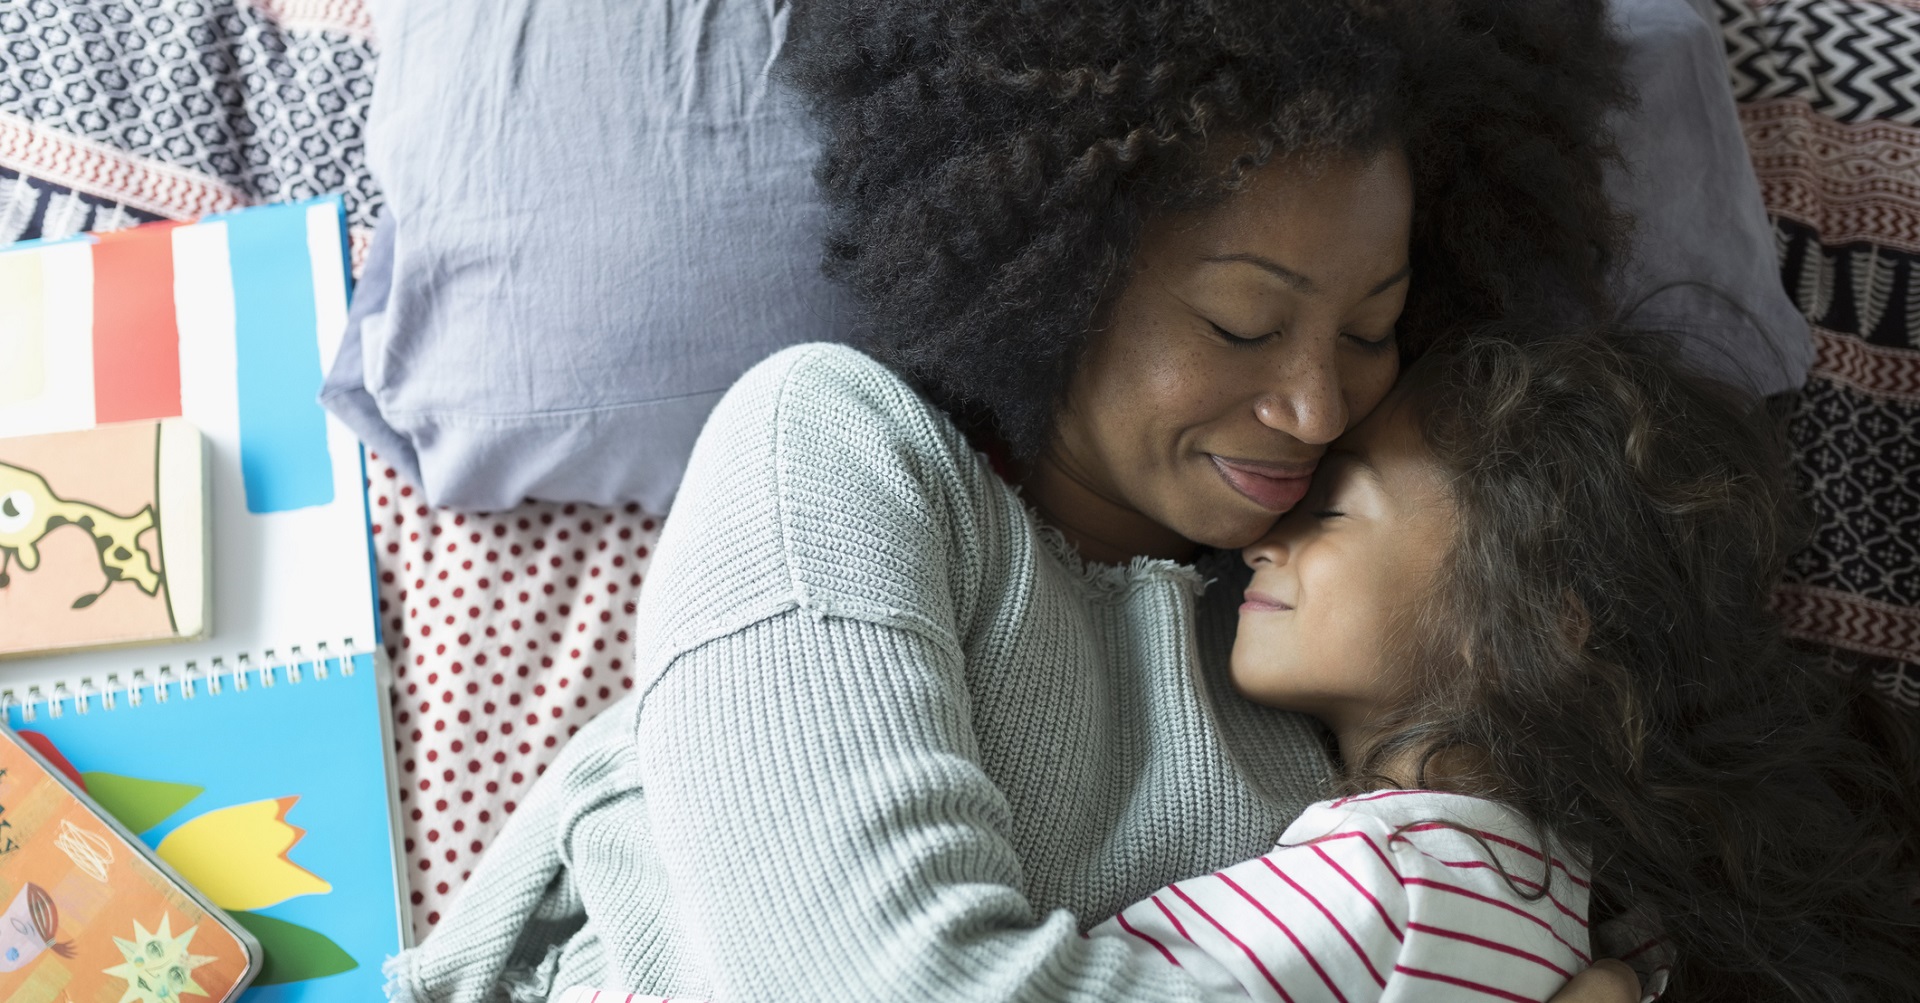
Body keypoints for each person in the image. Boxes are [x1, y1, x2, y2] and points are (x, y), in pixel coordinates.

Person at [383, 2, 1650, 1001]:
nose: (1318, 407)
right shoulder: (829, 447)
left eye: (1372, 330)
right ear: (1062, 272)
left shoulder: (1349, 644)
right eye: (1241, 322)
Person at [1092, 333, 1920, 1002]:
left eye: (1332, 510)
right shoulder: (1568, 906)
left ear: (1534, 625)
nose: (1260, 539)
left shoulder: (1382, 886)